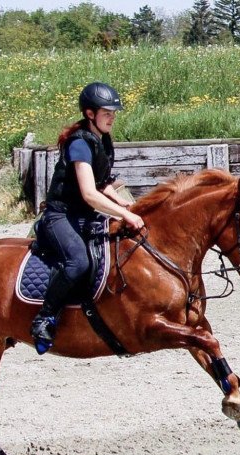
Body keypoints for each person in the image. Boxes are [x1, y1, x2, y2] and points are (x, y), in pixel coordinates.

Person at [30, 82, 145, 355]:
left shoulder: (102, 140)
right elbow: (89, 194)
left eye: (114, 112)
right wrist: (124, 213)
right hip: (60, 216)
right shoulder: (80, 143)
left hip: (83, 214)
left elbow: (102, 184)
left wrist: (127, 203)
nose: (112, 117)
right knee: (78, 261)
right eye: (107, 112)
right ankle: (44, 318)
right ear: (90, 114)